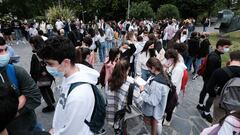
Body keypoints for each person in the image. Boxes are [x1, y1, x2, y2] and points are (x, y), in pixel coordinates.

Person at [38, 36, 99, 135]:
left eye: (50, 64)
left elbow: (71, 131)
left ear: (66, 62)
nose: (47, 67)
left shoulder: (79, 95)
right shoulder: (70, 75)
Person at [0, 37, 41, 132]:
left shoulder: (16, 71)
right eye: (0, 51)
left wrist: (10, 114)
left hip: (26, 128)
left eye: (5, 49)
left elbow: (34, 96)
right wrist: (19, 101)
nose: (4, 54)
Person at [196, 39, 232, 123]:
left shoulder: (214, 54)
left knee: (204, 90)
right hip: (210, 79)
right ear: (219, 47)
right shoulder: (214, 57)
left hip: (207, 78)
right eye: (226, 47)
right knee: (212, 96)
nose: (227, 49)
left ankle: (200, 105)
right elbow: (213, 72)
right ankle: (206, 112)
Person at [202, 50, 240, 124]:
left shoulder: (219, 71)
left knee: (217, 122)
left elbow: (209, 88)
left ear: (230, 58)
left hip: (221, 101)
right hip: (238, 106)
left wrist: (215, 95)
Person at [138, 57, 170, 135]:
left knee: (153, 126)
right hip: (157, 110)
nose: (148, 70)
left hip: (154, 111)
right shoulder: (162, 74)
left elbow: (153, 101)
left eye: (148, 68)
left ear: (153, 68)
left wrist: (142, 91)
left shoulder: (157, 83)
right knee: (154, 125)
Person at [106, 59, 142, 126]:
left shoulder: (110, 81)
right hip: (125, 117)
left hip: (114, 114)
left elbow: (107, 95)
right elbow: (140, 103)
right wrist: (141, 91)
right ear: (128, 69)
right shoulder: (131, 84)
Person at [29, 36, 55, 113]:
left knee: (43, 90)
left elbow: (34, 69)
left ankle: (50, 106)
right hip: (49, 74)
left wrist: (33, 77)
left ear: (34, 44)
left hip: (41, 76)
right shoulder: (47, 50)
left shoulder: (36, 55)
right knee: (48, 87)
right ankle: (52, 100)